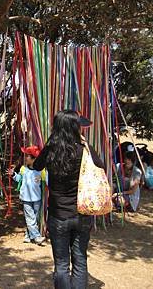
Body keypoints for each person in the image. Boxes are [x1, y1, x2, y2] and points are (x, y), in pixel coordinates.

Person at [33, 110, 105, 289]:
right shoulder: (82, 150)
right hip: (81, 214)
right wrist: (86, 143)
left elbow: (36, 165)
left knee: (62, 264)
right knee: (80, 259)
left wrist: (50, 143)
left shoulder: (51, 149)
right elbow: (100, 165)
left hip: (58, 216)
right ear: (74, 127)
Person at [10, 146, 45, 245]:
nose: (26, 158)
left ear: (34, 159)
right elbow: (19, 179)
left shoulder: (41, 171)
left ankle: (28, 236)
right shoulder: (23, 169)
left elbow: (47, 181)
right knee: (30, 218)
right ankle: (37, 237)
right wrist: (13, 175)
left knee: (34, 218)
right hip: (26, 198)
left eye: (28, 156)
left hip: (37, 198)